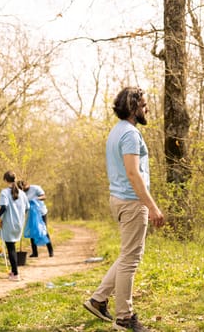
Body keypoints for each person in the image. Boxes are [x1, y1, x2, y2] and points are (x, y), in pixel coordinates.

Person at [83, 86, 165, 332]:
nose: (147, 108)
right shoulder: (129, 134)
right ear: (133, 107)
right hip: (132, 202)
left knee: (127, 255)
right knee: (131, 259)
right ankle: (124, 317)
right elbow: (133, 173)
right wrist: (151, 206)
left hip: (120, 199)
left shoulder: (116, 131)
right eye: (144, 104)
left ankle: (97, 300)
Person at [0, 171, 30, 281]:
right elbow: (27, 208)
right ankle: (14, 271)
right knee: (12, 247)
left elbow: (4, 207)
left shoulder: (4, 192)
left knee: (11, 248)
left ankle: (15, 274)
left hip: (8, 223)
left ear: (6, 180)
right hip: (19, 224)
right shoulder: (23, 193)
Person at [17, 181, 54, 257]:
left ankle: (51, 251)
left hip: (41, 213)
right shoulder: (22, 193)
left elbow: (44, 197)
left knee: (43, 230)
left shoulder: (36, 188)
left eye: (24, 188)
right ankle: (35, 253)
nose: (23, 190)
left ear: (27, 185)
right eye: (21, 189)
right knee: (32, 231)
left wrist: (36, 199)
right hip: (31, 214)